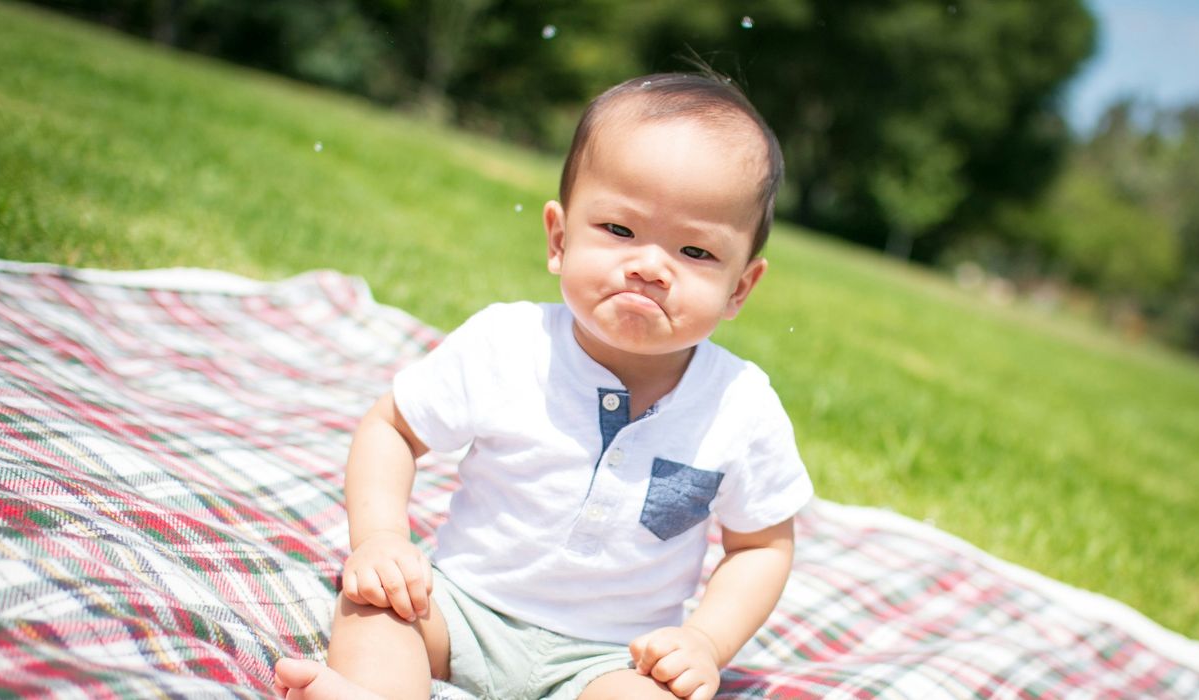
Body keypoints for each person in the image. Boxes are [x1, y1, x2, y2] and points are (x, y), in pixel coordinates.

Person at [274, 71, 814, 700]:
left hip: (617, 657)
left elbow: (761, 546)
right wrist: (381, 540)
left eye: (695, 252)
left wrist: (705, 641)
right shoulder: (508, 344)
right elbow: (392, 428)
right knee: (373, 611)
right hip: (458, 607)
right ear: (559, 239)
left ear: (739, 287)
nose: (649, 267)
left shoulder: (740, 406)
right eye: (619, 230)